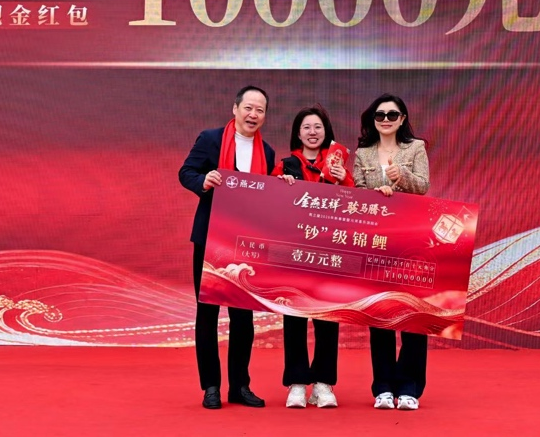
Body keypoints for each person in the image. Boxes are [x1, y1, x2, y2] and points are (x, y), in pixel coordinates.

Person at [178, 86, 276, 410]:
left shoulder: (268, 153)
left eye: (260, 110)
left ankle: (240, 386)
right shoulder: (211, 139)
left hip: (246, 243)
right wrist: (203, 181)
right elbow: (186, 172)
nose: (253, 114)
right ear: (235, 109)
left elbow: (269, 194)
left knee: (243, 317)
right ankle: (210, 386)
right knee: (207, 314)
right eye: (248, 107)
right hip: (211, 238)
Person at [271, 105, 354, 409]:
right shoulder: (284, 166)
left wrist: (344, 181)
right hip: (294, 254)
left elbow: (354, 209)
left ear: (326, 132)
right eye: (306, 127)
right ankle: (296, 383)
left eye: (318, 127)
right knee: (294, 317)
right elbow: (271, 208)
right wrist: (280, 187)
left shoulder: (339, 167)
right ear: (298, 133)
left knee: (327, 318)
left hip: (329, 253)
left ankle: (323, 383)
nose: (312, 132)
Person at [352, 94, 430, 411]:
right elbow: (356, 195)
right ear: (373, 119)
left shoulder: (416, 148)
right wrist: (375, 194)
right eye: (380, 115)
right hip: (376, 243)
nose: (385, 119)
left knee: (413, 315)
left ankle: (409, 387)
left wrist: (401, 177)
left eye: (392, 114)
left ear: (402, 119)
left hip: (411, 241)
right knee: (380, 314)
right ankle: (383, 387)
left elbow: (423, 186)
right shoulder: (362, 153)